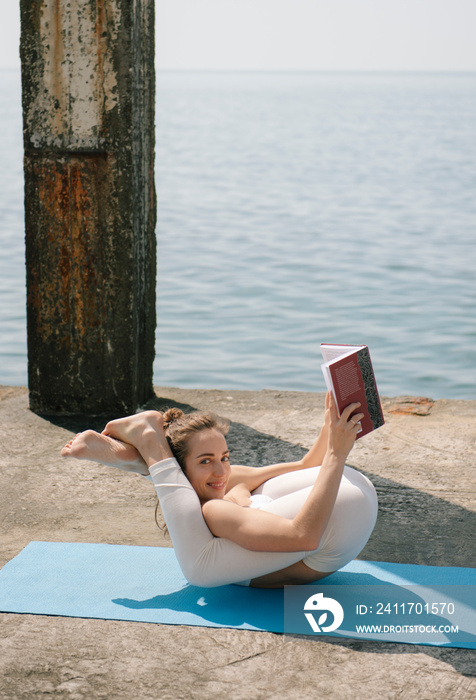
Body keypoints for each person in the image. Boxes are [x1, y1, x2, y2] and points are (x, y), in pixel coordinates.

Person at [61, 393, 377, 588]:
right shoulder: (218, 507)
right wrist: (337, 454)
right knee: (199, 563)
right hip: (351, 500)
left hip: (347, 509)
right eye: (206, 461)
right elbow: (305, 534)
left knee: (199, 573)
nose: (220, 471)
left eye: (224, 457)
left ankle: (147, 452)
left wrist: (330, 427)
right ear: (183, 468)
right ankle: (144, 454)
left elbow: (308, 466)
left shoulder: (228, 484)